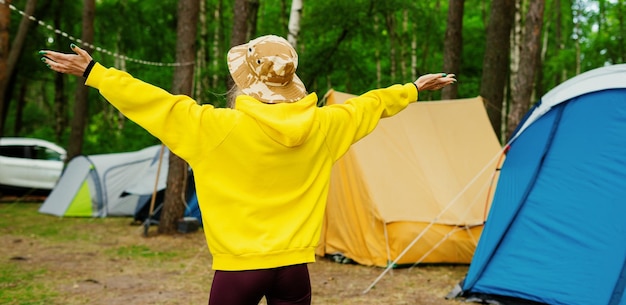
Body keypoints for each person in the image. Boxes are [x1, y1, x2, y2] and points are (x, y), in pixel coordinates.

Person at [40, 35, 456, 305]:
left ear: (244, 82)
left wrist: (95, 73)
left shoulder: (215, 128)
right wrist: (414, 89)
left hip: (238, 272)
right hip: (294, 271)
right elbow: (368, 106)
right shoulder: (324, 126)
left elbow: (154, 103)